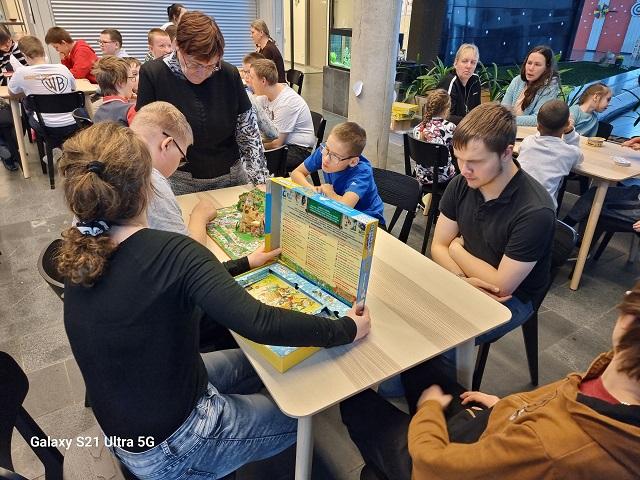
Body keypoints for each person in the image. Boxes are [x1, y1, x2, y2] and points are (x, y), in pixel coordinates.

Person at [58, 121, 370, 480]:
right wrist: (347, 328)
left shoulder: (81, 250)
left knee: (253, 363)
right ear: (148, 186)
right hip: (171, 445)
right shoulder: (171, 250)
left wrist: (245, 262)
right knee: (302, 420)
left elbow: (177, 279)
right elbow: (261, 322)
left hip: (132, 422)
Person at [341, 282, 640, 480]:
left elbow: (434, 466)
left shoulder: (552, 446)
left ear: (628, 321)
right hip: (495, 428)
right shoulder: (610, 380)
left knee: (355, 401)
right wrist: (507, 407)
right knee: (420, 367)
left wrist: (429, 411)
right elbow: (557, 406)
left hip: (439, 463)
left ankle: (384, 468)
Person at [432, 102, 554, 343]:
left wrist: (455, 249)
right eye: (459, 159)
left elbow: (500, 286)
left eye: (476, 161)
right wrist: (462, 280)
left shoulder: (535, 211)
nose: (464, 170)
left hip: (514, 298)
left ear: (507, 153)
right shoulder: (462, 183)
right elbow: (437, 246)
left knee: (441, 342)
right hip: (464, 277)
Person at [136, 11, 269, 194]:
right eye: (195, 64)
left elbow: (249, 133)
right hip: (178, 180)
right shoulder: (153, 74)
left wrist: (260, 183)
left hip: (230, 176)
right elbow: (144, 139)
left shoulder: (228, 74)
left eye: (211, 65)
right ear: (177, 46)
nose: (203, 72)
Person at [290, 122, 386, 225]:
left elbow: (345, 207)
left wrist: (330, 193)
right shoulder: (326, 151)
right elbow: (296, 173)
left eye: (335, 156)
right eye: (326, 148)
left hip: (367, 220)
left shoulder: (362, 172)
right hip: (336, 210)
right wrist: (312, 190)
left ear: (353, 162)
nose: (326, 159)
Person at [8, 35, 78, 142]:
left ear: (24, 55)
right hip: (72, 122)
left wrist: (29, 91)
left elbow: (12, 93)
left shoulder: (21, 73)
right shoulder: (63, 68)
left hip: (45, 126)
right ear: (44, 52)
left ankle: (51, 147)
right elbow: (73, 88)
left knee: (29, 108)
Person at [249, 58, 314, 169]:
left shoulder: (287, 102)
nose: (248, 81)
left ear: (263, 81)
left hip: (298, 149)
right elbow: (250, 107)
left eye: (251, 77)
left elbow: (276, 144)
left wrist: (252, 146)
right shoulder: (267, 93)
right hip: (283, 143)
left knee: (251, 162)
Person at [518, 99, 583, 208]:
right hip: (543, 209)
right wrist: (570, 133)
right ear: (567, 124)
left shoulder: (527, 142)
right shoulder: (568, 152)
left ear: (537, 126)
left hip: (516, 202)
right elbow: (578, 158)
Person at [501, 46, 560, 126]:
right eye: (529, 63)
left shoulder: (549, 88)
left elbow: (539, 119)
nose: (531, 68)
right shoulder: (517, 80)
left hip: (529, 132)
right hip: (509, 127)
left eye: (537, 65)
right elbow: (503, 109)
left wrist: (508, 120)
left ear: (546, 68)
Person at [412, 88, 456, 186]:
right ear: (447, 109)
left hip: (421, 176)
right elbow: (458, 148)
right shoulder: (450, 127)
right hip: (443, 179)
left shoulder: (418, 128)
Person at [437, 43, 481, 124]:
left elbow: (477, 111)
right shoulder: (449, 82)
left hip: (467, 127)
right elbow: (443, 118)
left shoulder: (475, 80)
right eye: (464, 61)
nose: (468, 66)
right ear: (456, 63)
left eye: (473, 62)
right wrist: (471, 122)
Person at [241, 52, 278, 140]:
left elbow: (276, 140)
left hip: (289, 146)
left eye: (250, 74)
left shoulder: (286, 103)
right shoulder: (261, 96)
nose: (246, 77)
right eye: (244, 72)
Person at [91, 56, 136, 125]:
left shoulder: (98, 112)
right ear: (121, 82)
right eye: (131, 78)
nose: (133, 82)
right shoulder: (129, 110)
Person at [251, 19, 285, 83]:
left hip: (275, 85)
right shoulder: (263, 47)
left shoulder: (268, 49)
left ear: (261, 33)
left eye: (253, 32)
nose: (251, 36)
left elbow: (259, 72)